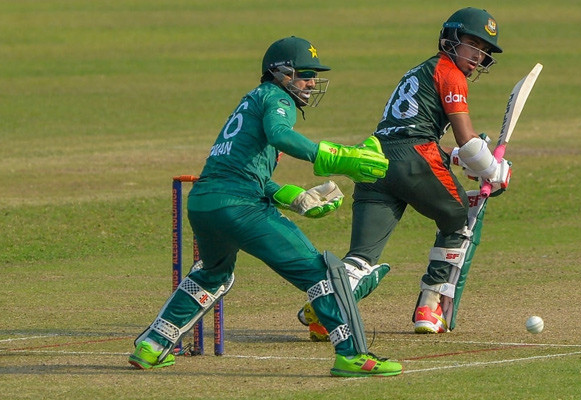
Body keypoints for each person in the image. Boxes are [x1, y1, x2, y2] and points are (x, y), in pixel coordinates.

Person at [128, 36, 403, 377]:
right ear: (280, 73)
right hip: (241, 206)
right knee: (321, 273)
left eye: (313, 74)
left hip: (204, 203)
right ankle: (353, 355)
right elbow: (279, 135)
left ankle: (152, 345)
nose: (311, 82)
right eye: (304, 74)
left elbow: (238, 168)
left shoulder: (251, 101)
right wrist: (335, 157)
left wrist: (293, 196)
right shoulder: (277, 98)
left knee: (214, 274)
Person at [298, 8, 512, 338]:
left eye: (485, 51)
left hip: (374, 161)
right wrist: (495, 171)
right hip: (413, 156)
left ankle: (325, 313)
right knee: (459, 217)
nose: (478, 56)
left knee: (361, 257)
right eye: (474, 44)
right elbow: (468, 142)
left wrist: (457, 159)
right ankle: (429, 306)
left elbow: (416, 132)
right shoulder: (449, 72)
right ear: (452, 39)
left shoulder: (418, 71)